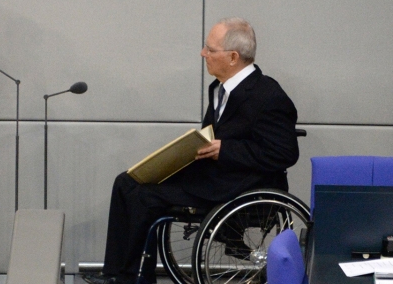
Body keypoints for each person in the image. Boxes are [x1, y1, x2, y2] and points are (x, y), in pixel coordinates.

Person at [83, 17, 299, 284]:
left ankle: (132, 279)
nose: (203, 54)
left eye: (210, 49)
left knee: (145, 197)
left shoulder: (268, 95)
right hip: (212, 174)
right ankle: (114, 273)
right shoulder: (221, 89)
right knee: (126, 182)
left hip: (237, 184)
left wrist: (226, 150)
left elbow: (285, 153)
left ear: (233, 57)